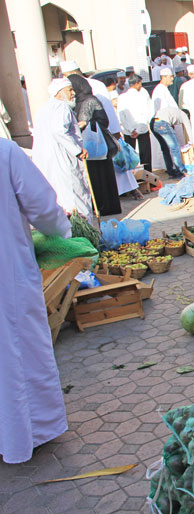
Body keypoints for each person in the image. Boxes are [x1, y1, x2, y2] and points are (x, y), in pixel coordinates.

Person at [0, 138, 73, 465]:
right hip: (7, 273)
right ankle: (26, 434)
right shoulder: (4, 152)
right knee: (17, 352)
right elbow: (42, 206)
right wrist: (61, 227)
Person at [31, 78, 93, 218]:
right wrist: (77, 150)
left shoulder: (44, 109)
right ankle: (84, 235)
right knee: (75, 199)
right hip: (63, 161)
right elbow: (58, 130)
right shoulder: (61, 107)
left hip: (49, 162)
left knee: (61, 200)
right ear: (59, 93)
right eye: (69, 90)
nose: (73, 93)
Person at [69, 74, 122, 216]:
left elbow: (103, 120)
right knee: (94, 177)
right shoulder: (78, 102)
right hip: (89, 146)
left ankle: (106, 207)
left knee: (102, 176)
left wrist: (87, 124)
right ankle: (99, 205)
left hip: (97, 144)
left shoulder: (90, 100)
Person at [117, 74, 155, 172]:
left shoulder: (122, 97)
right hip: (141, 129)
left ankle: (131, 177)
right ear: (137, 83)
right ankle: (148, 177)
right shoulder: (142, 96)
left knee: (129, 155)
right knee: (145, 155)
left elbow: (121, 116)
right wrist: (138, 130)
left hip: (128, 130)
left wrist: (131, 129)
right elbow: (148, 113)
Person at [151, 106, 191, 178]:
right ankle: (181, 171)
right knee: (175, 148)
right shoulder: (184, 115)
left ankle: (170, 171)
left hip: (153, 122)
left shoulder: (174, 111)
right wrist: (192, 142)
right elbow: (189, 129)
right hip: (162, 123)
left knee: (165, 148)